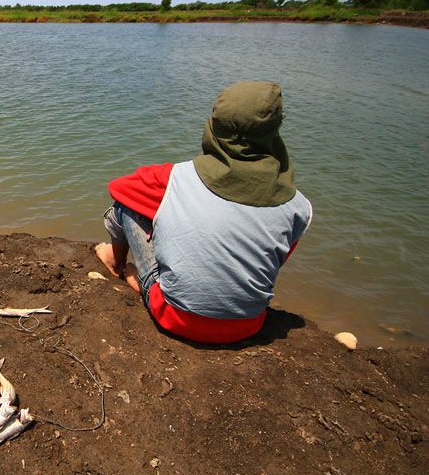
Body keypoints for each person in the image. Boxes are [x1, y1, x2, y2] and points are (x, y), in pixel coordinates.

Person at [96, 81, 312, 344]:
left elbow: (118, 188)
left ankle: (119, 266)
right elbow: (270, 261)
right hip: (248, 324)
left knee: (124, 207)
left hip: (174, 316)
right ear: (274, 131)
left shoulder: (174, 178)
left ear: (214, 125)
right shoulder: (298, 206)